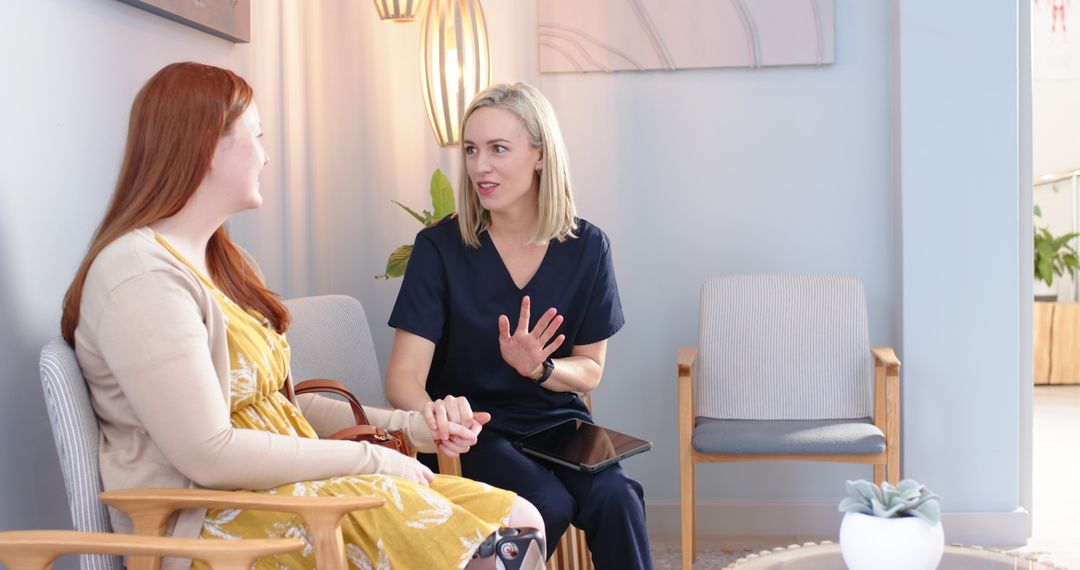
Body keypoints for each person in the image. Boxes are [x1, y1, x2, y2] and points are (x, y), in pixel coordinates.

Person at [60, 62, 545, 570]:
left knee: (521, 517)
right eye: (257, 137)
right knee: (495, 553)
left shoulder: (228, 264)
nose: (267, 156)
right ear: (206, 148)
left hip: (298, 491)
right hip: (221, 520)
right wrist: (372, 459)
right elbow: (208, 453)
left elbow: (286, 407)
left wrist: (411, 428)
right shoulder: (139, 277)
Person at [386, 83, 652, 569]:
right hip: (473, 429)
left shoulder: (588, 247)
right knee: (546, 503)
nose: (479, 166)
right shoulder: (439, 248)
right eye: (471, 150)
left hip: (555, 424)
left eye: (498, 149)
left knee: (619, 499)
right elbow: (403, 378)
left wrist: (543, 369)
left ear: (540, 156)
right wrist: (441, 418)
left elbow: (590, 369)